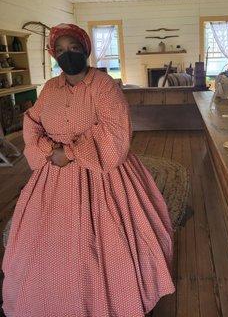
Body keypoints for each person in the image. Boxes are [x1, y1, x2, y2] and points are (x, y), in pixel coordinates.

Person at [2, 23, 176, 317]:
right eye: (60, 51)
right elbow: (32, 121)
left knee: (106, 242)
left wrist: (69, 152)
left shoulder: (104, 86)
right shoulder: (50, 88)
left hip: (103, 173)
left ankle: (110, 298)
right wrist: (48, 150)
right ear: (53, 55)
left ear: (86, 49)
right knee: (45, 244)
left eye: (73, 48)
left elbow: (116, 132)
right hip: (53, 176)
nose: (67, 55)